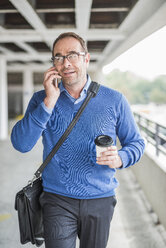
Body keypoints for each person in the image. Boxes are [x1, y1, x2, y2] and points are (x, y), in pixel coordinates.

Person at [11, 32, 145, 248]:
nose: (66, 63)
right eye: (58, 57)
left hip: (100, 198)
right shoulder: (41, 99)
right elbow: (21, 144)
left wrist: (120, 157)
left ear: (86, 58)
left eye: (72, 55)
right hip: (57, 199)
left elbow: (137, 143)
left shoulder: (114, 99)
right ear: (53, 63)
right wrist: (48, 103)